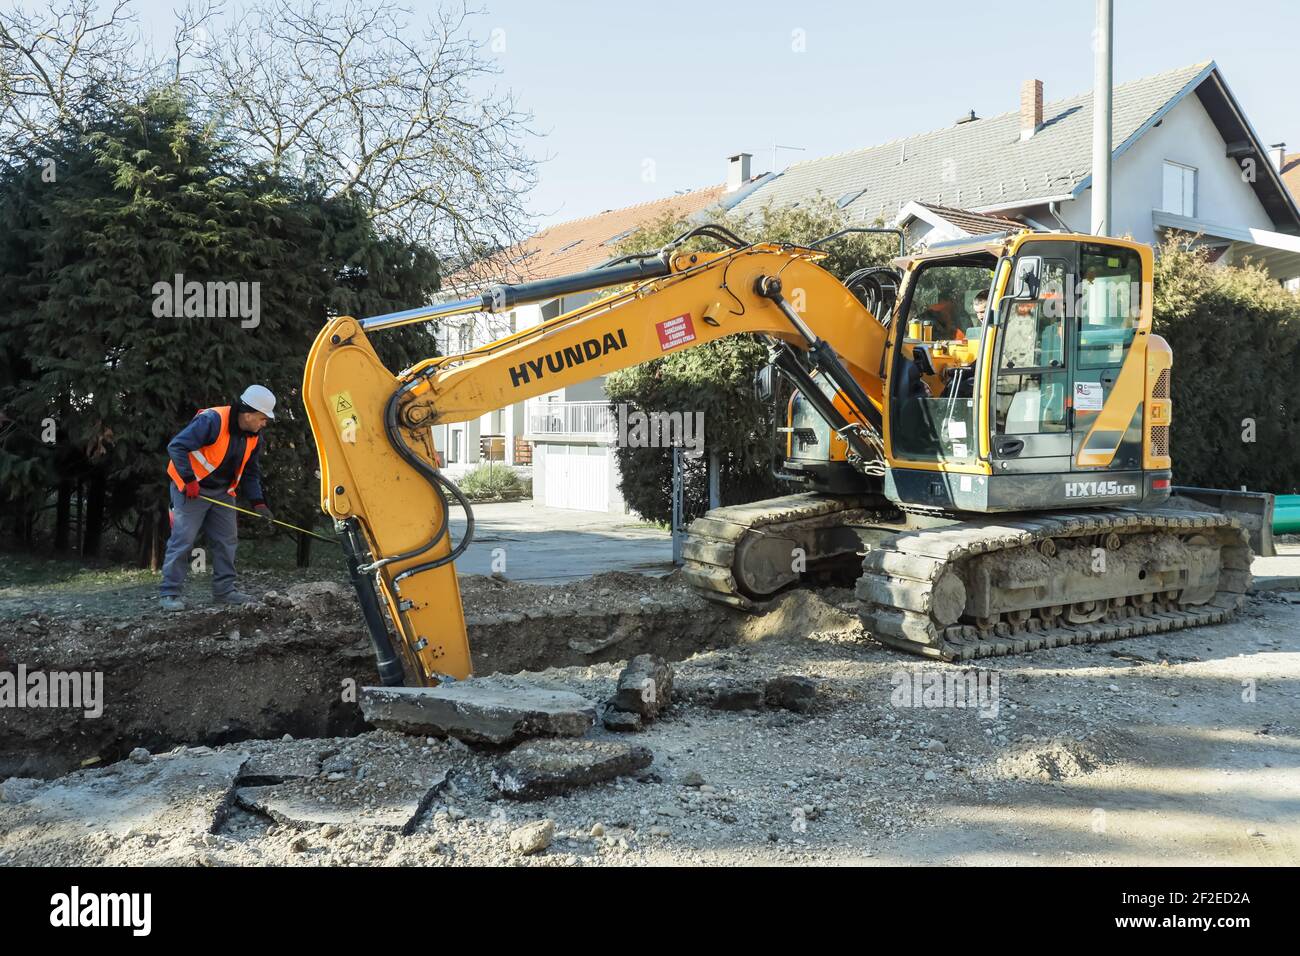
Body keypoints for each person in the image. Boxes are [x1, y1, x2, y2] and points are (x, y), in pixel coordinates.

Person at [159, 385, 276, 611]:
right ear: (248, 413)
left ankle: (225, 591)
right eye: (263, 418)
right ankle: (169, 593)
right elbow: (176, 446)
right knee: (183, 540)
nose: (265, 423)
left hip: (223, 492)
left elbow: (251, 472)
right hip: (191, 490)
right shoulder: (213, 420)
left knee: (226, 540)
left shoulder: (254, 437)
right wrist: (188, 480)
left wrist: (258, 502)